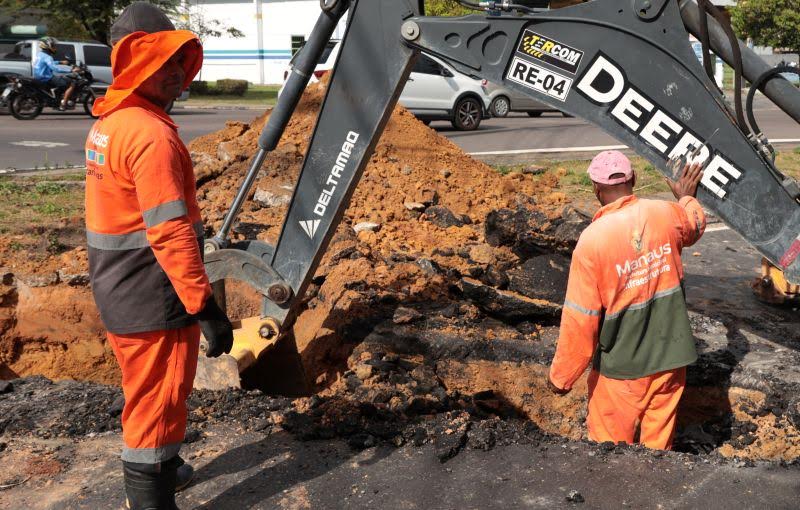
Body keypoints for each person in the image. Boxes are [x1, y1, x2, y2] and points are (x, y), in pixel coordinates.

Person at [84, 3, 233, 508]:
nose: (178, 76)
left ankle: (167, 467)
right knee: (159, 402)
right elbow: (169, 233)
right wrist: (204, 306)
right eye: (166, 63)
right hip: (154, 295)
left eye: (179, 63)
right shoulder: (151, 136)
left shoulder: (113, 121)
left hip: (119, 286)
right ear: (138, 63)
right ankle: (150, 499)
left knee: (150, 393)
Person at [548, 150, 706, 450]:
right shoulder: (666, 214)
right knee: (657, 450)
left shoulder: (592, 241)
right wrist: (686, 197)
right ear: (633, 179)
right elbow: (695, 224)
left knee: (610, 453)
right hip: (671, 361)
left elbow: (580, 320)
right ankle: (656, 493)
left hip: (623, 372)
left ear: (596, 189)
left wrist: (561, 378)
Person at [33, 36, 76, 110]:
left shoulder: (40, 54)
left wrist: (60, 62)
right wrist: (71, 70)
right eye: (53, 45)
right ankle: (63, 104)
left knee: (61, 80)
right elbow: (55, 69)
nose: (54, 47)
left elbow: (49, 63)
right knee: (71, 83)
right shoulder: (48, 57)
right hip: (46, 78)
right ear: (47, 45)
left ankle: (57, 97)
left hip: (38, 77)